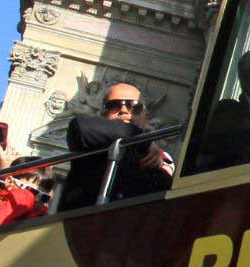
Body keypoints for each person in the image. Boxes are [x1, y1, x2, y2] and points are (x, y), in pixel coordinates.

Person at [58, 83, 175, 211]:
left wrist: (162, 167)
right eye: (114, 105)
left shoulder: (154, 160)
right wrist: (145, 141)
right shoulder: (91, 140)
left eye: (134, 106)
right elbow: (80, 126)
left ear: (146, 118)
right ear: (104, 115)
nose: (124, 110)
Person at [0, 157, 52, 229]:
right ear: (10, 182)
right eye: (32, 191)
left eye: (44, 197)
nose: (36, 198)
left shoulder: (40, 216)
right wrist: (24, 197)